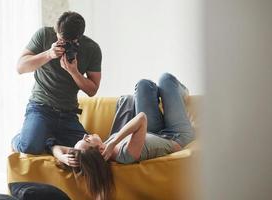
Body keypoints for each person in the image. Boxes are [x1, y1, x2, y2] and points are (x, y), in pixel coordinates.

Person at [52, 73, 195, 200]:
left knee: (143, 84)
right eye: (87, 140)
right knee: (166, 79)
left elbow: (56, 147)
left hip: (152, 132)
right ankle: (180, 94)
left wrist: (63, 157)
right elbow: (141, 118)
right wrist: (114, 142)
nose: (85, 136)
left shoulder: (103, 148)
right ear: (100, 150)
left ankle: (164, 96)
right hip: (176, 136)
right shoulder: (126, 154)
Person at [11, 11, 102, 154]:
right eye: (60, 39)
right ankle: (21, 137)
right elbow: (20, 67)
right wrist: (48, 54)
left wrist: (74, 72)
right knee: (29, 147)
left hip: (68, 114)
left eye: (67, 42)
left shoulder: (92, 49)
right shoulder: (44, 35)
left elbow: (92, 90)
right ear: (56, 29)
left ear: (78, 38)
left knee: (89, 153)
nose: (62, 44)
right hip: (41, 108)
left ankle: (49, 142)